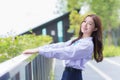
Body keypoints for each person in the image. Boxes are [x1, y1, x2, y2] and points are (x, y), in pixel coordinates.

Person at [22, 14, 103, 80]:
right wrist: (40, 49)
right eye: (85, 21)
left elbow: (65, 52)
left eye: (90, 23)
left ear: (95, 28)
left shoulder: (87, 45)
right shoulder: (78, 40)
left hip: (73, 75)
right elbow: (61, 45)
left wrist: (39, 50)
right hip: (68, 74)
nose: (85, 25)